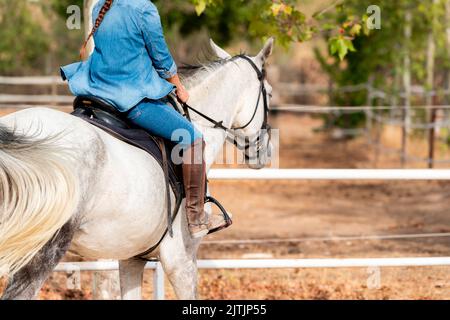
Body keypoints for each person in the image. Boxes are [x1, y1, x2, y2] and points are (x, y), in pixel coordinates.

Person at [60, 0, 230, 238]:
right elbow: (161, 57)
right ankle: (196, 216)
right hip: (129, 96)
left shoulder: (100, 6)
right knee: (192, 139)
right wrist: (179, 88)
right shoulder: (143, 8)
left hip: (97, 92)